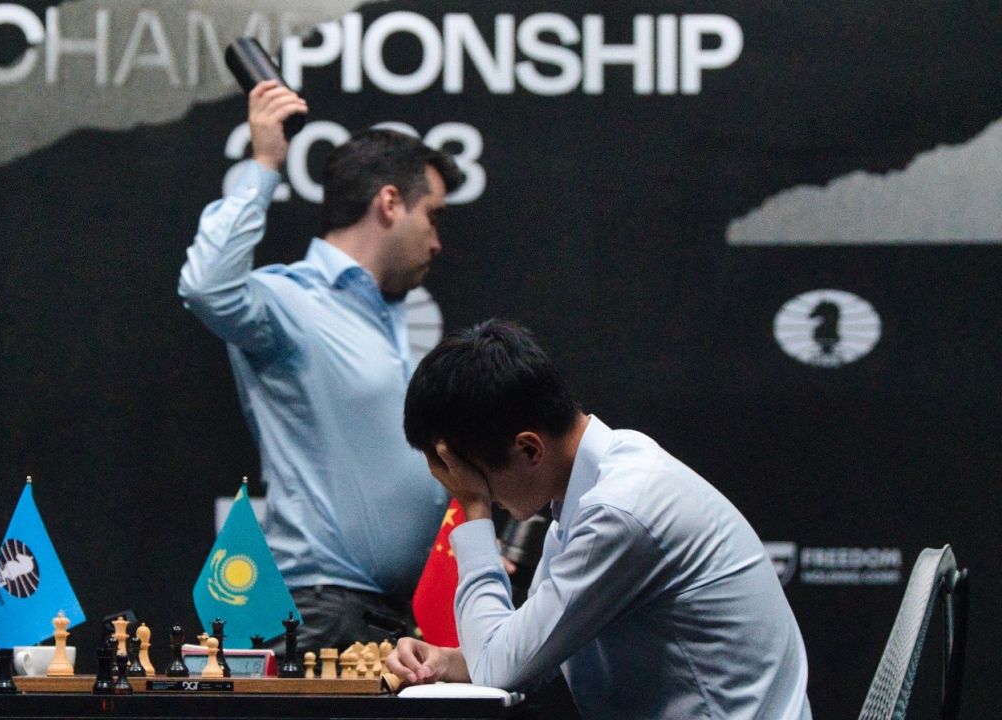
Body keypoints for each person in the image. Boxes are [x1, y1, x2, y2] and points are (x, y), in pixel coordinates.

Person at [390, 320, 812, 719]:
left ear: (529, 450)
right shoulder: (597, 480)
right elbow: (526, 655)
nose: (469, 490)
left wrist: (473, 511)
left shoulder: (619, 512)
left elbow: (500, 669)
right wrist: (448, 663)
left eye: (473, 478)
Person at [178, 79, 465, 649]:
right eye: (432, 216)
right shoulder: (291, 302)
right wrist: (264, 163)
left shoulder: (384, 318)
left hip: (385, 620)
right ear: (389, 203)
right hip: (321, 614)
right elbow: (207, 287)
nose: (437, 242)